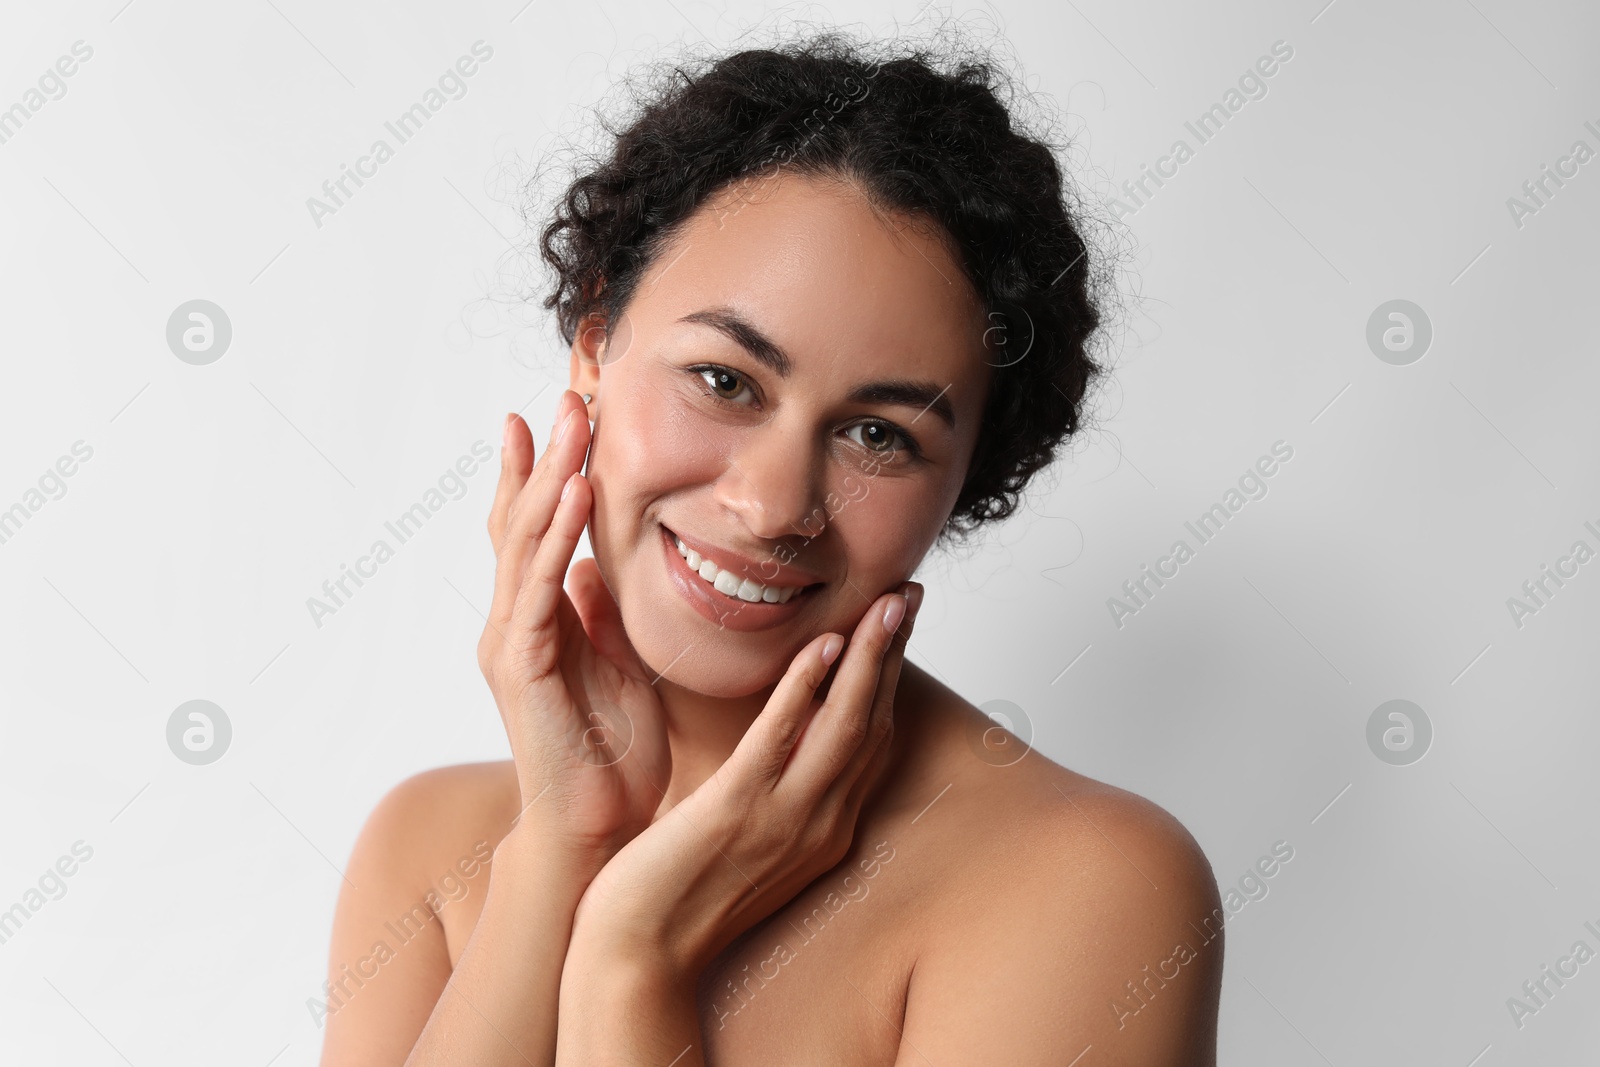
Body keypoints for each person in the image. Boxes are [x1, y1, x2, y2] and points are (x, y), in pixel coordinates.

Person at [317, 29, 1223, 1066]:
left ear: (965, 478)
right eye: (725, 379)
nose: (772, 503)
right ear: (593, 348)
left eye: (879, 434)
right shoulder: (428, 850)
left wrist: (629, 959)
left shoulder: (1089, 883)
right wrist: (558, 859)